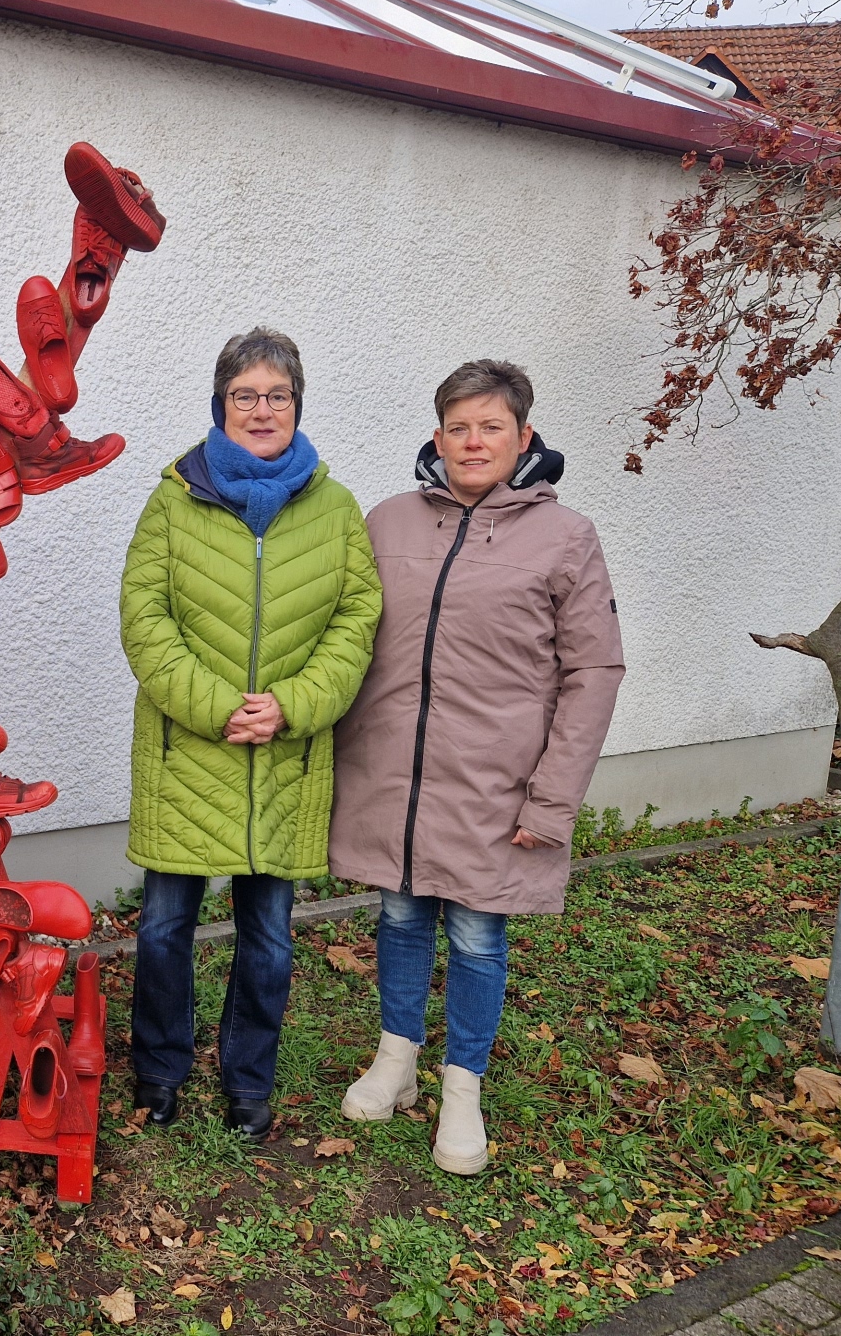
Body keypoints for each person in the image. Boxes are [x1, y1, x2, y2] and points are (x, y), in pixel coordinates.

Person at [330, 359, 623, 1175]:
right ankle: (397, 1058)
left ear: (523, 437)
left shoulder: (566, 538)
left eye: (491, 427)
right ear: (437, 436)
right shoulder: (387, 521)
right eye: (458, 426)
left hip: (499, 785)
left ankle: (463, 1085)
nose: (473, 441)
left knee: (476, 929)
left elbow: (593, 672)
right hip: (395, 774)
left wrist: (553, 798)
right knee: (398, 914)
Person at [118, 327, 382, 1139]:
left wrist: (293, 703)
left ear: (296, 406)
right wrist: (215, 704)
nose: (261, 409)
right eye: (245, 395)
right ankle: (159, 1072)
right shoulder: (174, 497)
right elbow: (144, 616)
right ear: (220, 406)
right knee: (164, 930)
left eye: (277, 395)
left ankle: (248, 1083)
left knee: (267, 938)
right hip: (188, 753)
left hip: (284, 760)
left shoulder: (334, 509)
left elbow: (356, 619)